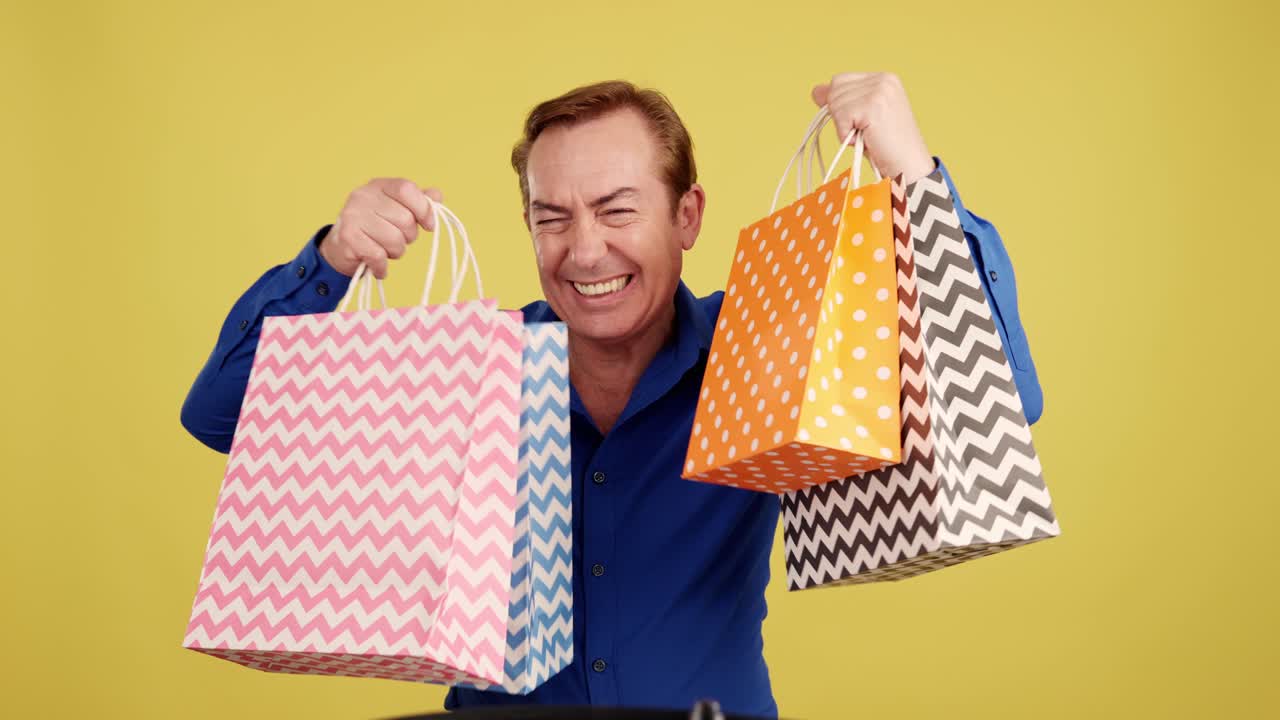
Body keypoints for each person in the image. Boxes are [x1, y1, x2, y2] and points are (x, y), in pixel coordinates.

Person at [180, 73, 1044, 717]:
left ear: (688, 217)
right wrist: (333, 261)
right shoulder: (464, 373)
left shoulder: (762, 352)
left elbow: (999, 396)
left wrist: (914, 176)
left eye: (617, 209)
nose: (584, 251)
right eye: (551, 217)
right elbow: (220, 416)